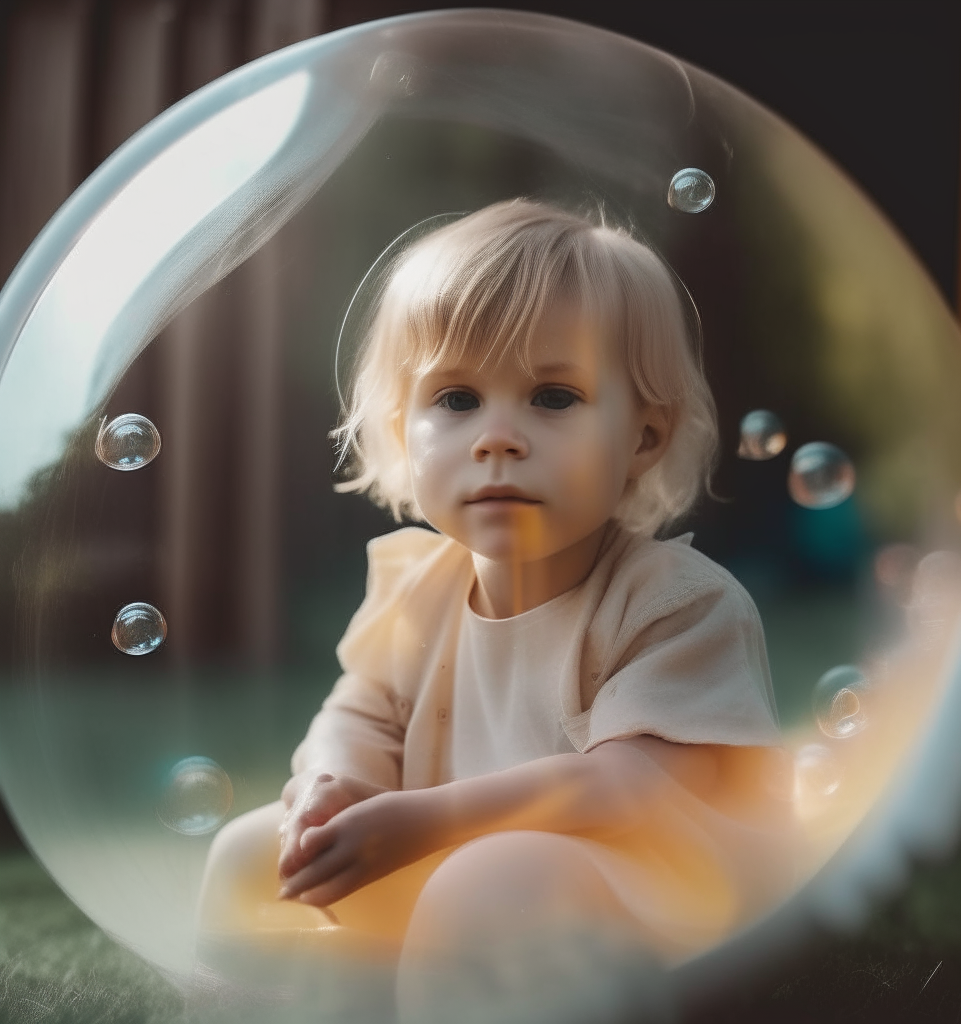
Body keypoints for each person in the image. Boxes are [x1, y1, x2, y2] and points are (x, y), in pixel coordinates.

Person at [198, 199, 792, 1021]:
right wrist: (334, 786)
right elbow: (358, 714)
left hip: (661, 906)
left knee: (494, 878)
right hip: (460, 881)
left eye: (553, 397)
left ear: (644, 438)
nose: (498, 438)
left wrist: (423, 820)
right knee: (247, 855)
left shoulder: (672, 601)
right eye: (456, 398)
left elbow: (630, 790)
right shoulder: (418, 588)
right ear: (404, 431)